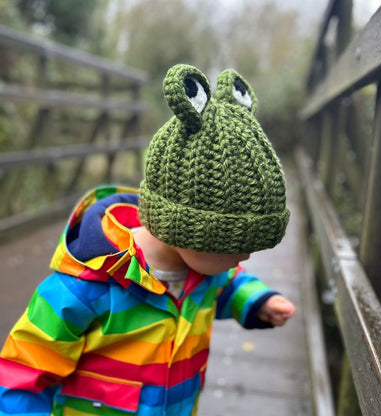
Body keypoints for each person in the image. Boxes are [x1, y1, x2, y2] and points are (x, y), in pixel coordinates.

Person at [0, 64, 295, 415]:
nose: (243, 256)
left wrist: (257, 300)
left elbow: (228, 285)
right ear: (188, 229)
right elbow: (21, 375)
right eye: (233, 244)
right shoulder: (86, 287)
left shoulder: (204, 271)